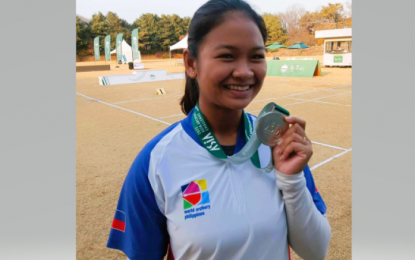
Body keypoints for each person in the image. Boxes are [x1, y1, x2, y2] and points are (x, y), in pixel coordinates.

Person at [107, 0, 331, 259]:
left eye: (256, 56)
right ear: (191, 63)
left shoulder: (278, 142)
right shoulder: (156, 160)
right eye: (227, 56)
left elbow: (315, 251)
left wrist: (291, 181)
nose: (245, 72)